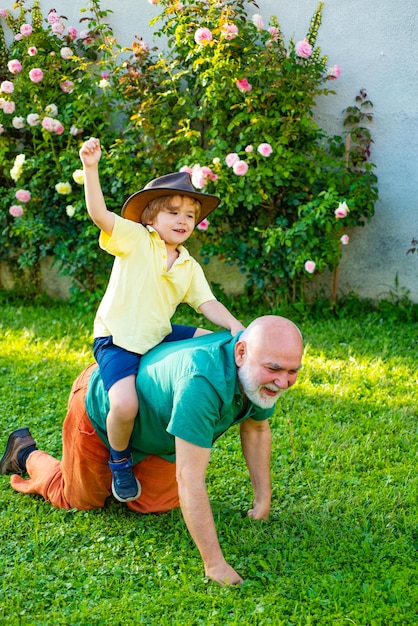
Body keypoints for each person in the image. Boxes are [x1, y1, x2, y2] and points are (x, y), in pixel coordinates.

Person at [0, 315, 303, 586]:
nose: (283, 381)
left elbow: (256, 428)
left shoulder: (257, 378)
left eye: (293, 371)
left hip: (157, 431)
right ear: (241, 353)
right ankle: (25, 452)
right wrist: (215, 564)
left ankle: (125, 466)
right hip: (102, 411)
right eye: (274, 368)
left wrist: (263, 501)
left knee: (155, 504)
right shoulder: (201, 383)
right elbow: (190, 480)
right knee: (78, 499)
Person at [79, 137, 245, 503]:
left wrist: (235, 328)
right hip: (118, 338)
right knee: (124, 404)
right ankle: (120, 460)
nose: (183, 220)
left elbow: (207, 302)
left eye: (190, 215)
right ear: (151, 218)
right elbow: (99, 216)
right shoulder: (136, 239)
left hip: (159, 334)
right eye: (173, 212)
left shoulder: (188, 264)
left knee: (213, 341)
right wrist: (91, 169)